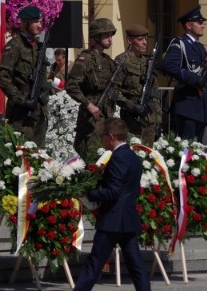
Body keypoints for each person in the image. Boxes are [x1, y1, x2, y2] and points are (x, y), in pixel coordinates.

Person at [72, 118, 151, 291]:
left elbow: (113, 191)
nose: (102, 140)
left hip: (113, 219)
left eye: (103, 136)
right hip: (127, 219)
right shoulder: (133, 157)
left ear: (111, 136)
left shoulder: (118, 158)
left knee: (94, 264)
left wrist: (89, 194)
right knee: (136, 266)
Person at [161, 6, 207, 140]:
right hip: (187, 105)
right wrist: (192, 78)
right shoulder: (179, 43)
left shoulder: (199, 46)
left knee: (197, 150)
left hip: (201, 105)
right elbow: (168, 65)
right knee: (186, 150)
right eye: (199, 23)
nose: (203, 26)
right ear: (188, 25)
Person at [0, 6, 50, 146]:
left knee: (39, 157)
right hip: (21, 113)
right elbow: (2, 76)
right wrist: (21, 99)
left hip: (40, 110)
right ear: (24, 23)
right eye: (35, 21)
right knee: (22, 155)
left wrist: (46, 92)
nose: (39, 25)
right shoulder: (14, 46)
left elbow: (43, 77)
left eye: (40, 21)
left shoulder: (38, 46)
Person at [65, 18, 118, 160]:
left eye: (111, 35)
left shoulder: (108, 61)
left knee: (106, 155)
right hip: (91, 116)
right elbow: (71, 85)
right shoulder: (85, 59)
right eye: (106, 36)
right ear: (96, 37)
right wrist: (88, 104)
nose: (110, 39)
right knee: (91, 154)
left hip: (107, 114)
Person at [111, 24, 160, 144]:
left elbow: (155, 95)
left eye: (146, 39)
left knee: (148, 157)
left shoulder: (147, 62)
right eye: (140, 39)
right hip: (131, 120)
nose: (144, 42)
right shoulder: (122, 61)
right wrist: (132, 106)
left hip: (150, 120)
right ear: (129, 40)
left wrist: (158, 121)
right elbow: (112, 91)